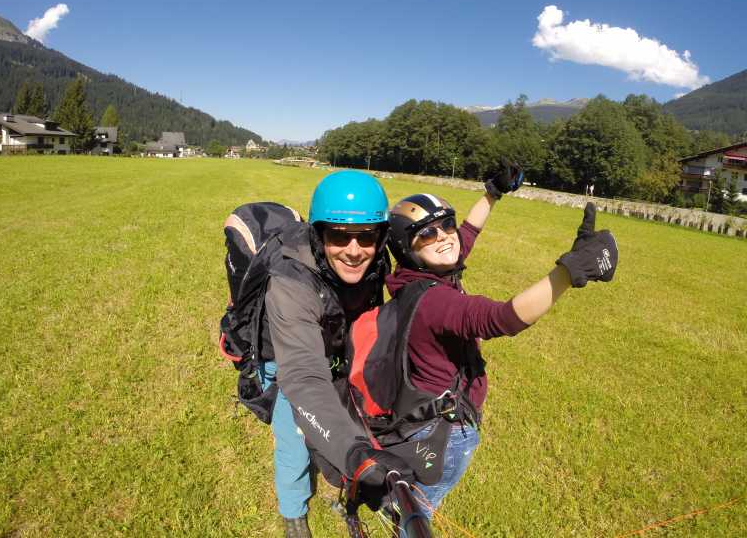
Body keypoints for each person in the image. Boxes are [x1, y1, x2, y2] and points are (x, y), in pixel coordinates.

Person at [384, 165, 618, 515]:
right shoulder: (434, 301)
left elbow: (468, 232)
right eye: (427, 234)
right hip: (446, 434)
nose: (445, 235)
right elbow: (502, 318)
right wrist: (572, 270)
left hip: (423, 419)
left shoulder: (417, 276)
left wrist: (492, 193)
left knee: (410, 506)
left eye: (446, 224)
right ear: (406, 249)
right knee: (417, 516)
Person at [259, 170, 414, 537]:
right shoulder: (290, 283)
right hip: (288, 357)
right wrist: (353, 454)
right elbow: (302, 376)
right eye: (339, 236)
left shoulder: (376, 265)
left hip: (333, 346)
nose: (354, 250)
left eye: (366, 237)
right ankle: (294, 513)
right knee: (295, 435)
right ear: (318, 235)